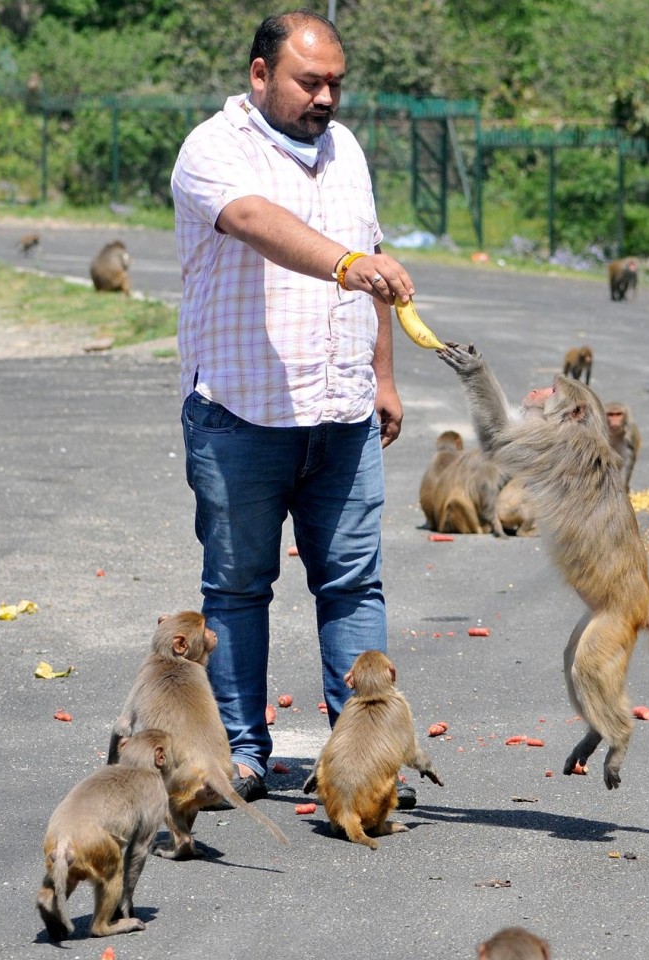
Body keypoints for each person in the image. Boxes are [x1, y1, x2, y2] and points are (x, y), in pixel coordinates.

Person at [170, 10, 416, 804]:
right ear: (259, 75)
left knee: (353, 585)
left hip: (340, 413)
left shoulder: (346, 150)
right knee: (238, 589)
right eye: (309, 81)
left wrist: (381, 374)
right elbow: (252, 221)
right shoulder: (213, 148)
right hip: (241, 412)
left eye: (336, 83)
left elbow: (370, 257)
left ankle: (363, 758)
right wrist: (345, 264)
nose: (325, 98)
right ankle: (240, 752)